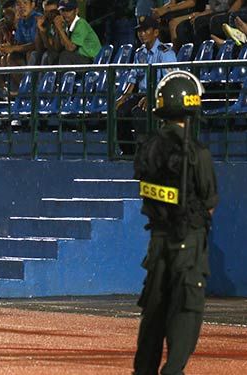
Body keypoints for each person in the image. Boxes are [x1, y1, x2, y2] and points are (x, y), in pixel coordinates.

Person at [132, 70, 219, 375]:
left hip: (157, 243)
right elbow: (209, 203)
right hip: (188, 243)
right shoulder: (197, 153)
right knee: (186, 310)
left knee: (154, 314)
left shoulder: (147, 147)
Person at [116, 15, 176, 155]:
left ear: (155, 32)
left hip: (160, 95)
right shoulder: (140, 53)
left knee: (139, 113)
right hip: (142, 94)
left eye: (145, 30)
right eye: (139, 31)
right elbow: (133, 77)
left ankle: (146, 151)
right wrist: (123, 98)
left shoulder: (164, 53)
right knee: (121, 111)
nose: (142, 34)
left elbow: (170, 80)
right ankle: (128, 151)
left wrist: (152, 96)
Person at [53, 0, 101, 65]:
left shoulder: (81, 24)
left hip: (91, 61)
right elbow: (57, 48)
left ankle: (64, 75)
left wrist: (60, 30)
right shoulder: (65, 25)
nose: (65, 13)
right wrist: (58, 30)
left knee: (66, 55)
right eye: (63, 11)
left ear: (76, 11)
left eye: (69, 10)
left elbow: (71, 48)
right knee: (51, 54)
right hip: (79, 58)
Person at [33, 0, 62, 66]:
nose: (50, 14)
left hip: (64, 54)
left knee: (47, 55)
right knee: (34, 54)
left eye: (53, 11)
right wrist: (39, 29)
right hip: (52, 52)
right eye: (46, 12)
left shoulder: (62, 21)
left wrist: (58, 28)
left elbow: (56, 48)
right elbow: (39, 48)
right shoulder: (47, 24)